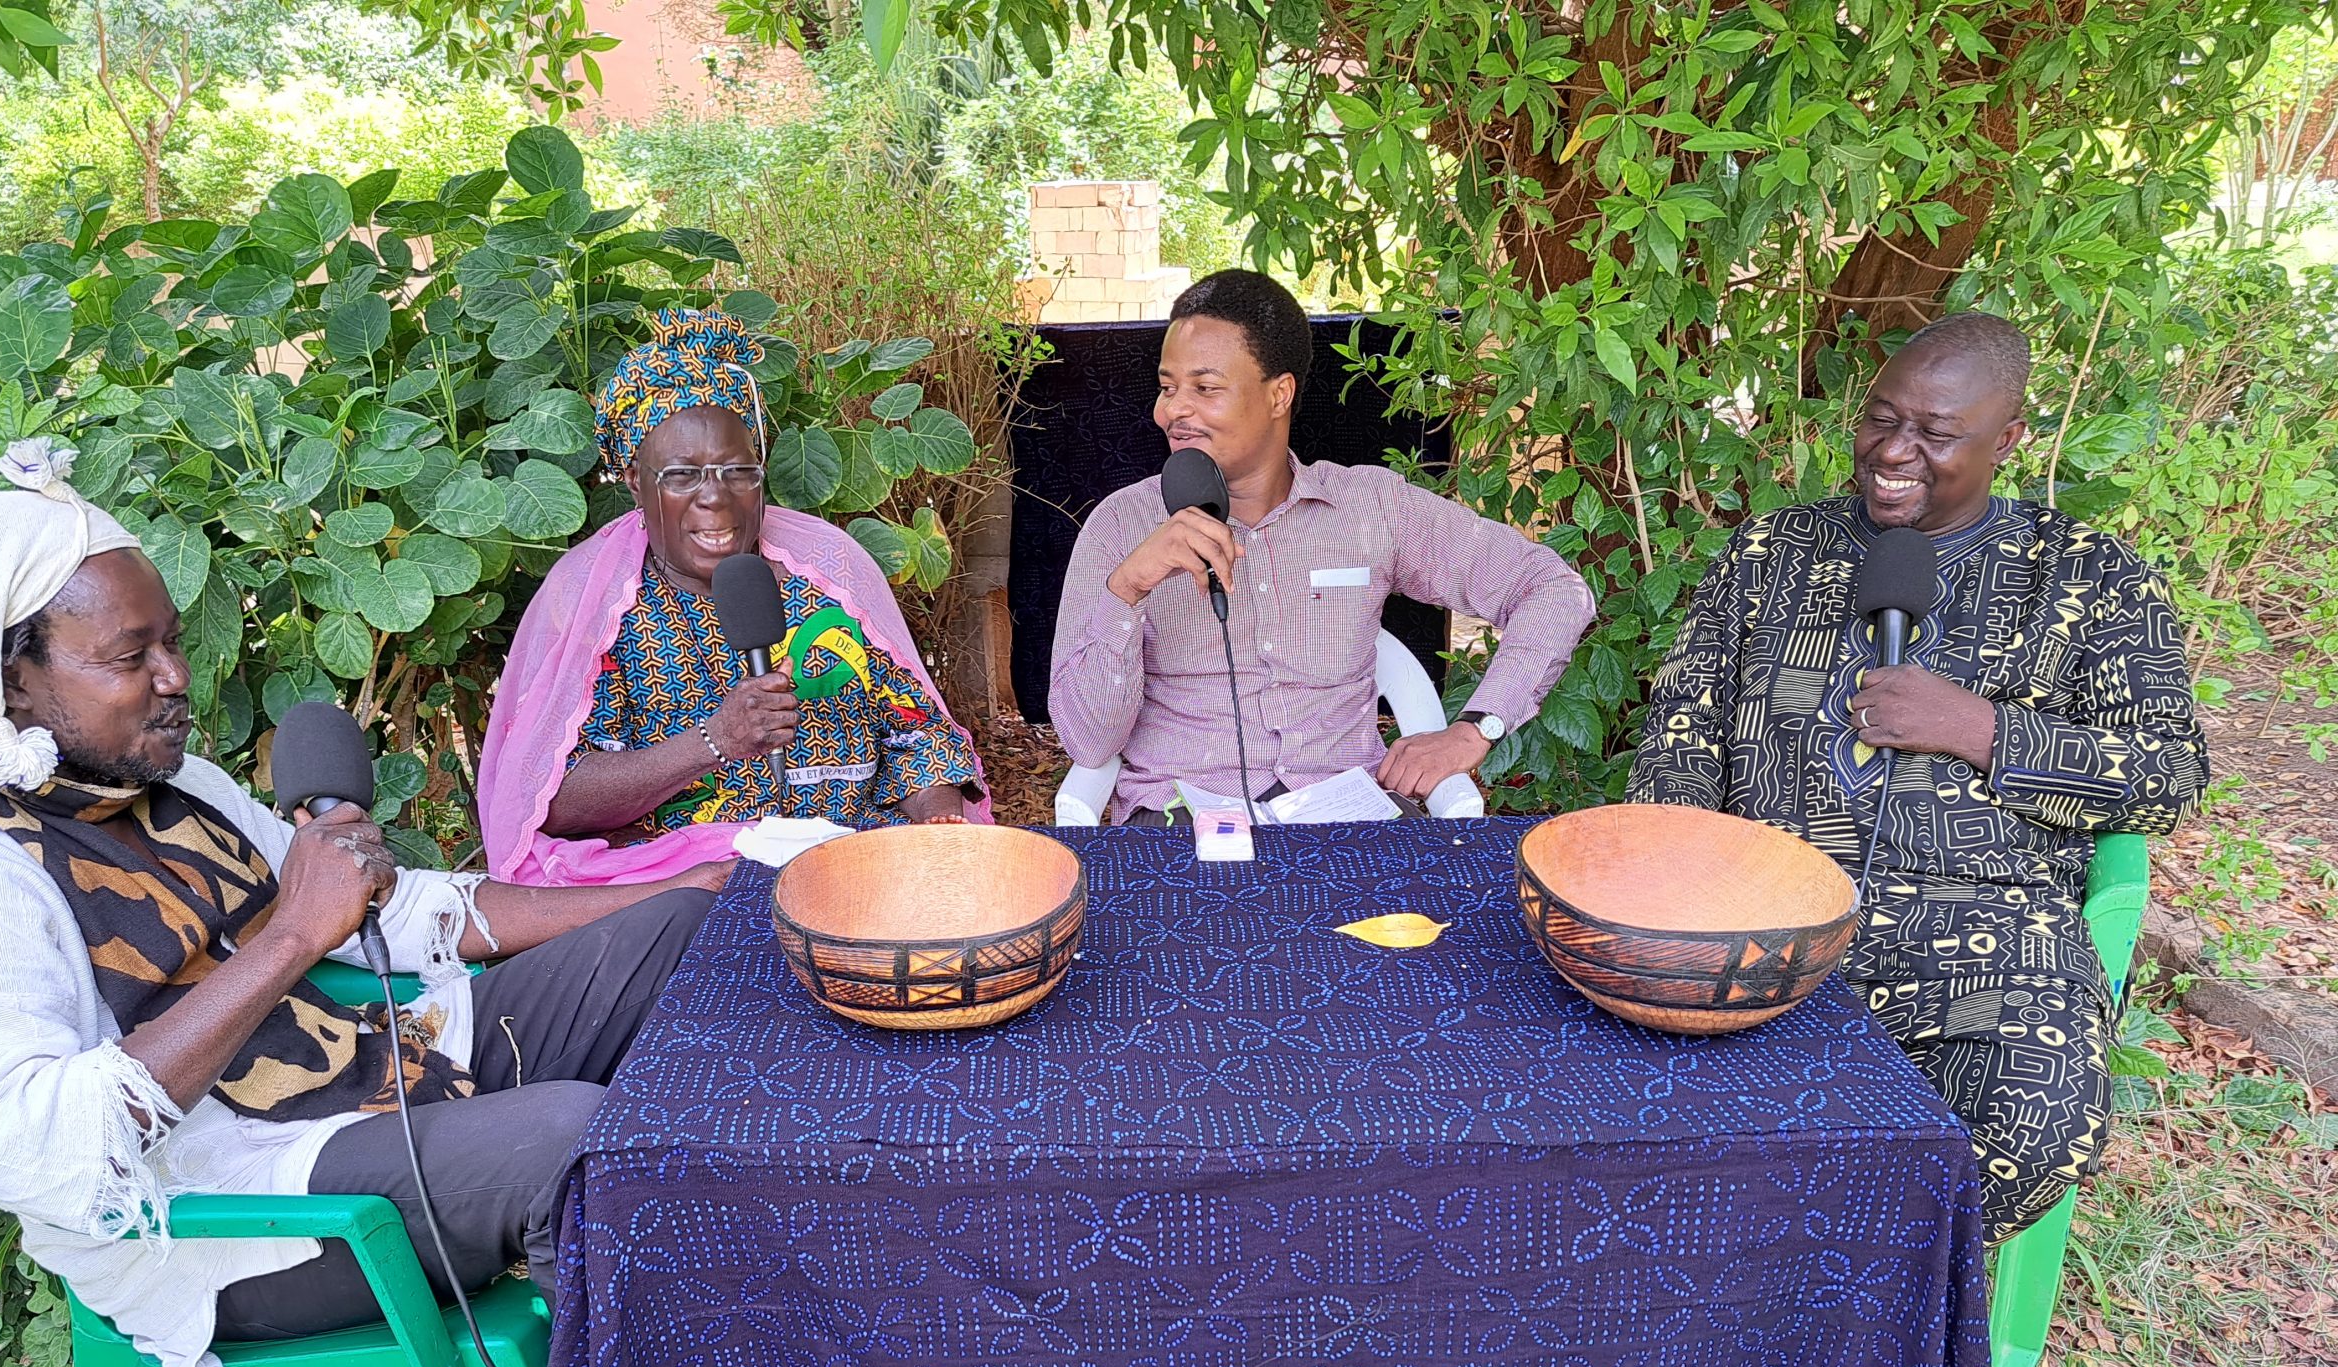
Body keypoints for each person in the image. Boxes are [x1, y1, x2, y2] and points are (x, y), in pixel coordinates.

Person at [0, 442, 724, 1367]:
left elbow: (392, 913)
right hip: (226, 1214)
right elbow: (46, 1156)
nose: (174, 679)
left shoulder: (168, 780)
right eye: (130, 658)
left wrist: (676, 891)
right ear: (9, 685)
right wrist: (293, 934)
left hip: (373, 1064)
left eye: (172, 641)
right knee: (574, 1138)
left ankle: (800, 1223)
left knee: (681, 937)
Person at [1628, 312, 2209, 1241]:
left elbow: (2169, 776)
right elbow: (1683, 734)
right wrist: (1679, 884)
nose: (1894, 451)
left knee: (2041, 1123)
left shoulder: (2090, 577)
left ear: (2007, 438)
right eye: (1879, 419)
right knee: (1615, 1089)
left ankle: (1840, 1297)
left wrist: (1980, 727)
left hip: (1983, 929)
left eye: (1936, 435)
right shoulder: (1773, 553)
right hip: (1762, 907)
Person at [1048, 268, 1595, 822]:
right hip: (1176, 819)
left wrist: (1477, 728)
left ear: (1279, 394)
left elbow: (1553, 590)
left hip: (1348, 816)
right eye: (1168, 388)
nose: (1173, 411)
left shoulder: (1372, 509)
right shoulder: (1120, 527)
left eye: (1206, 388)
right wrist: (1128, 589)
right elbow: (1089, 746)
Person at [479, 308, 989, 887]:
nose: (715, 499)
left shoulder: (830, 575)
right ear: (634, 484)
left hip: (856, 874)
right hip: (681, 898)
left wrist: (937, 815)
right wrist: (713, 742)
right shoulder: (597, 610)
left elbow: (915, 728)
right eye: (681, 476)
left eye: (737, 471)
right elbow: (551, 799)